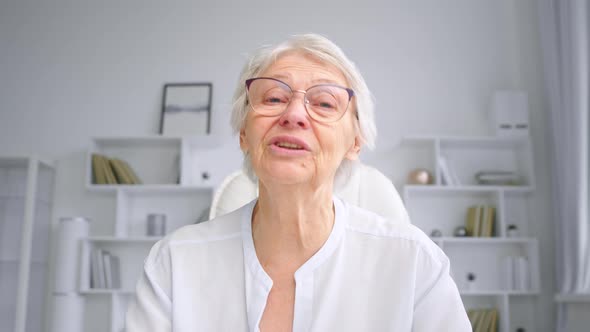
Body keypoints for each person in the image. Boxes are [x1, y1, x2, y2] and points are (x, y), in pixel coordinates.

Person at [126, 33, 471, 331]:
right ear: (244, 133)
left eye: (323, 103)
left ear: (355, 142)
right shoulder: (174, 264)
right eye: (274, 98)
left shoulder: (415, 263)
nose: (293, 115)